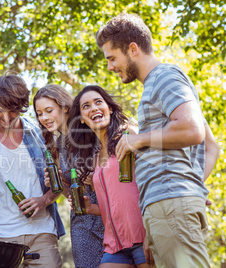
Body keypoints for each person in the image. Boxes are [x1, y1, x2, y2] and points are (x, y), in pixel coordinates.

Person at [96, 13, 219, 267]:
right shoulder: (156, 85)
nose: (110, 66)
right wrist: (193, 187)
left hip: (171, 204)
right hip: (165, 205)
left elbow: (193, 130)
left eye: (112, 58)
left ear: (133, 49)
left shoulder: (165, 77)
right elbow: (211, 146)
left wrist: (138, 140)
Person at [0, 74, 65, 268]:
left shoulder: (41, 135)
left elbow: (59, 183)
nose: (6, 118)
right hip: (0, 237)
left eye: (13, 112)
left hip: (42, 233)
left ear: (22, 108)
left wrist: (43, 200)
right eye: (0, 111)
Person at [67, 85, 152, 267]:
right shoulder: (96, 157)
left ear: (110, 108)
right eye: (86, 106)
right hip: (114, 244)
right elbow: (116, 201)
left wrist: (151, 233)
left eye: (98, 102)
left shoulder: (129, 134)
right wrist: (92, 208)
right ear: (81, 119)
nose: (94, 108)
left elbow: (157, 172)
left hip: (142, 235)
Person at [33, 84, 104, 268]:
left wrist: (97, 176)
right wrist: (61, 183)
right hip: (82, 223)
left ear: (65, 107)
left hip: (108, 214)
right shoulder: (56, 147)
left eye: (49, 111)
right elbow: (69, 194)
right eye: (40, 114)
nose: (44, 118)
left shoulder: (92, 130)